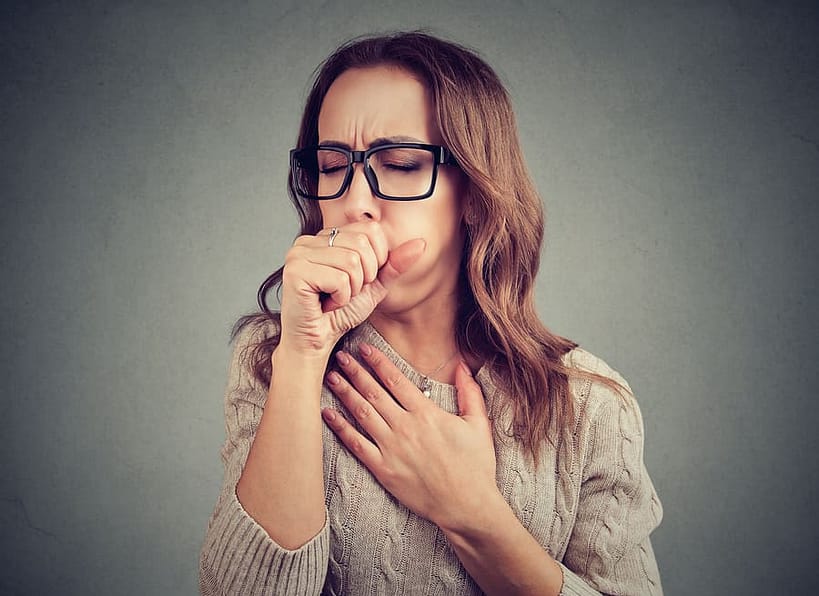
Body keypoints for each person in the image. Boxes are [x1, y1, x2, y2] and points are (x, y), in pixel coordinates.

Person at [199, 31, 664, 596]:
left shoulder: (590, 404)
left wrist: (473, 512)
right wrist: (302, 358)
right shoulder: (270, 362)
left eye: (397, 164)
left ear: (473, 192)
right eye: (329, 164)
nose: (353, 202)